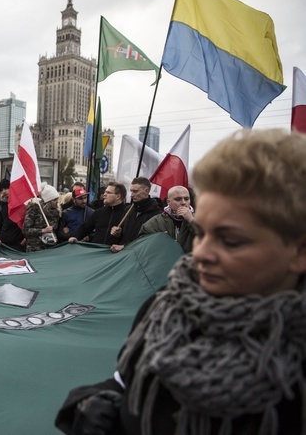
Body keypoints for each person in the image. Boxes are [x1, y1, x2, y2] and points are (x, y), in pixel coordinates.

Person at [55, 128, 306, 435]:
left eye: (231, 241)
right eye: (203, 233)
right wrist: (100, 402)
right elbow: (127, 381)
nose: (202, 253)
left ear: (298, 251)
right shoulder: (164, 308)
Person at [109, 177, 162, 254]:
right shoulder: (128, 210)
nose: (132, 195)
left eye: (135, 191)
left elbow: (150, 241)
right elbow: (123, 236)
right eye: (131, 191)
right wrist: (118, 234)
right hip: (124, 255)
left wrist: (125, 247)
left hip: (140, 257)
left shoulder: (157, 214)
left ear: (146, 191)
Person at [138, 185, 195, 253]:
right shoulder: (156, 222)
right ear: (168, 202)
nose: (183, 203)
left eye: (186, 199)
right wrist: (159, 239)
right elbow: (143, 245)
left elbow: (207, 239)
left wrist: (191, 221)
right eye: (178, 199)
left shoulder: (202, 220)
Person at [23, 184, 61, 252]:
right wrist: (43, 230)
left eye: (57, 199)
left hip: (50, 248)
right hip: (35, 249)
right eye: (54, 200)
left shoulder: (57, 212)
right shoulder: (34, 209)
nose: (57, 202)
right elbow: (26, 229)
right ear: (48, 201)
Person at [0, 179, 25, 251]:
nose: (4, 191)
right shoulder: (0, 205)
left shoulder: (20, 203)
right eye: (2, 190)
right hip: (4, 244)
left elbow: (26, 222)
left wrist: (25, 239)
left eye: (6, 188)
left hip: (19, 244)